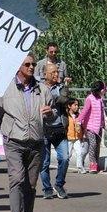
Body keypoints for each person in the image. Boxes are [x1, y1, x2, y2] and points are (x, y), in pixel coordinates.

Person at [0, 54, 50, 212]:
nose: (31, 67)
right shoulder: (5, 90)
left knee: (30, 185)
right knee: (17, 179)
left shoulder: (43, 90)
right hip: (14, 141)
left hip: (36, 143)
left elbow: (52, 115)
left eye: (33, 64)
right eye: (27, 64)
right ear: (17, 67)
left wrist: (51, 113)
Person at [39, 63, 72, 199]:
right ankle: (47, 188)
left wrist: (50, 98)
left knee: (64, 158)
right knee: (44, 162)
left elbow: (64, 99)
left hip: (59, 128)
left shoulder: (61, 88)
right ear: (45, 74)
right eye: (52, 72)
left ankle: (59, 184)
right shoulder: (38, 88)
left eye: (57, 72)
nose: (56, 74)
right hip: (43, 129)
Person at [78, 81, 107, 173]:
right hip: (90, 126)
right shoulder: (89, 98)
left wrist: (103, 123)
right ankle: (92, 164)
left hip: (99, 126)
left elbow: (101, 113)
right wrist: (78, 120)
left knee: (97, 145)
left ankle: (97, 163)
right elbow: (85, 111)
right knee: (93, 144)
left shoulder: (100, 99)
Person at [67, 98, 85, 173]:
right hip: (68, 137)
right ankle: (64, 166)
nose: (77, 107)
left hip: (77, 137)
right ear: (69, 106)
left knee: (79, 152)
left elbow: (82, 125)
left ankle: (80, 167)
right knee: (68, 154)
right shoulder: (66, 116)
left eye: (78, 105)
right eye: (75, 105)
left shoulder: (78, 116)